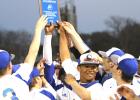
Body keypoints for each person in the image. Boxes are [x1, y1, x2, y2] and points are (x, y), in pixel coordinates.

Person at [0, 15, 47, 99]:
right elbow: (32, 54)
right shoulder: (19, 79)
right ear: (10, 66)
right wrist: (38, 30)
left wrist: (36, 70)